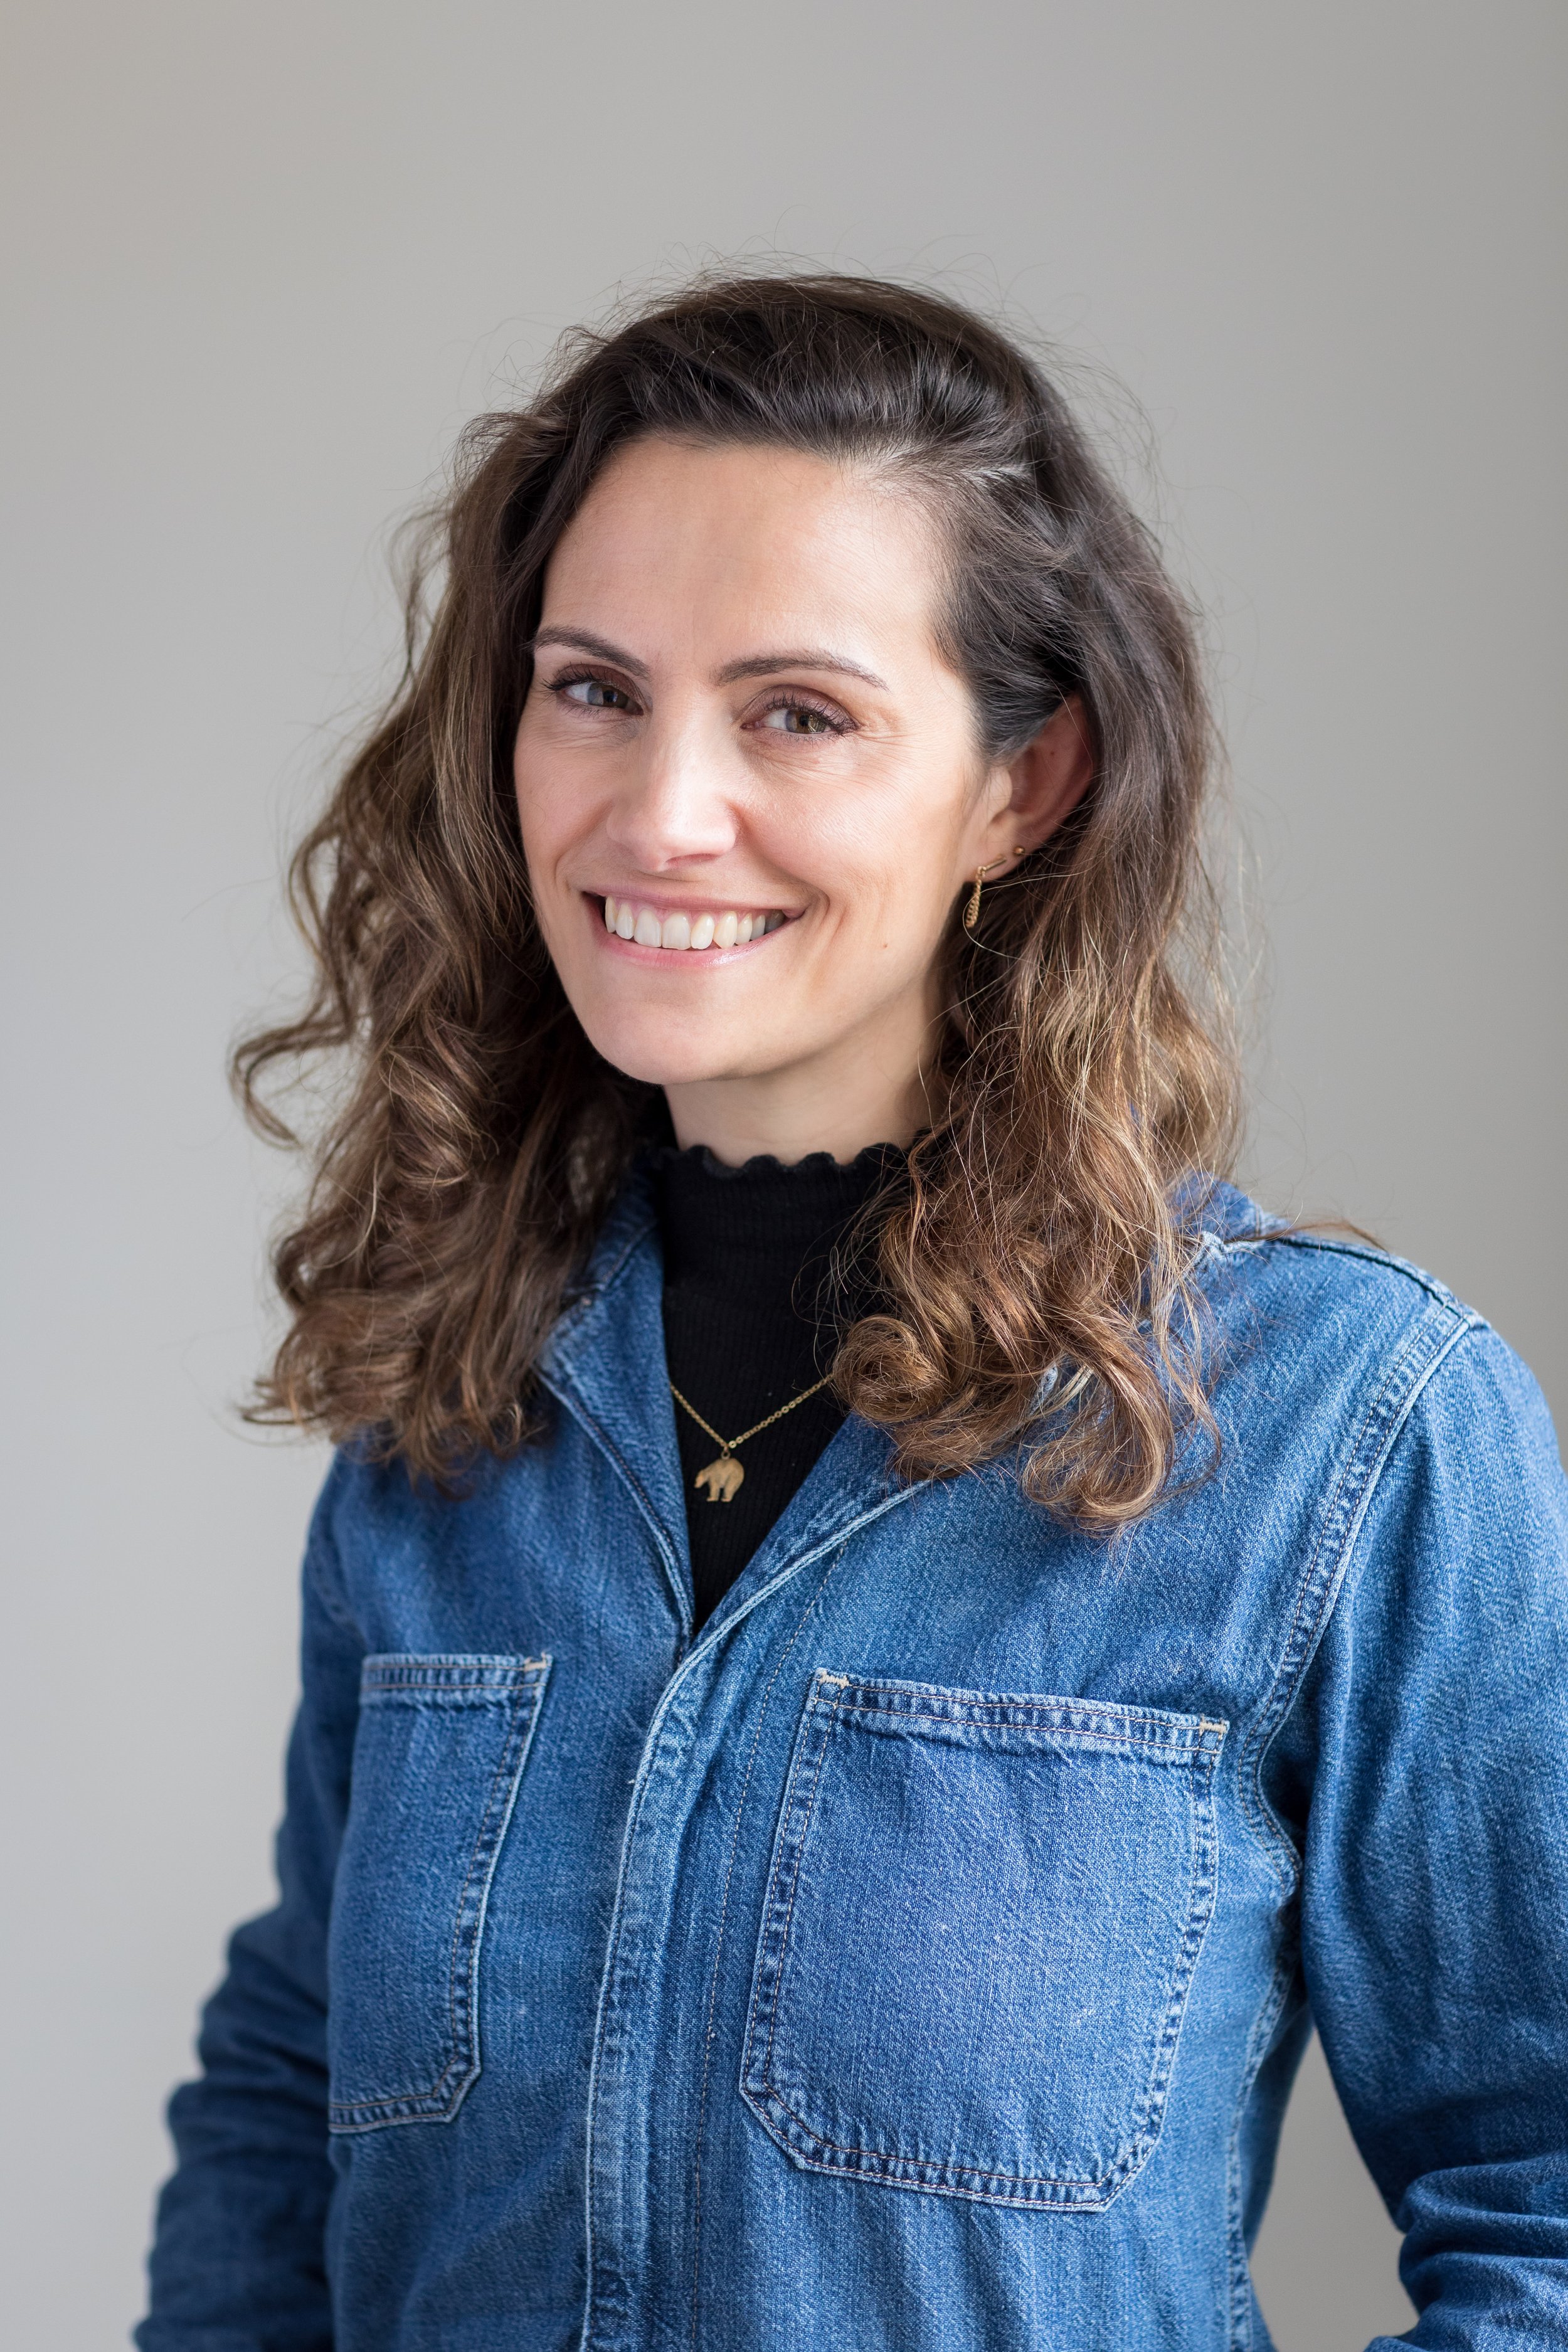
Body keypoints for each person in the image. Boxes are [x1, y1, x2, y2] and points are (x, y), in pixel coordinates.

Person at [138, 274, 1568, 2352]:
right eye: (592, 689)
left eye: (795, 713)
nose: (657, 812)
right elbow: (291, 2097)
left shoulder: (1345, 1424)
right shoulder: (450, 1401)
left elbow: (1543, 2210)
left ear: (1020, 785)